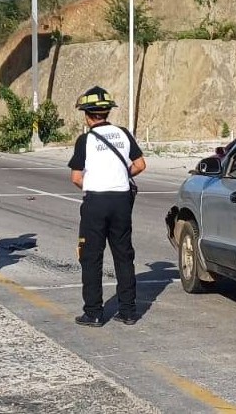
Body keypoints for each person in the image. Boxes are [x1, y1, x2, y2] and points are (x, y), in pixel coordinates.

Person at [67, 86, 146, 327]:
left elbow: (76, 178)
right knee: (123, 255)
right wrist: (120, 176)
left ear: (87, 115)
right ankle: (129, 311)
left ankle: (94, 312)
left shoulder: (85, 140)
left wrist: (95, 183)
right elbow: (140, 164)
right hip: (121, 201)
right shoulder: (122, 134)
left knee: (91, 257)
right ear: (107, 112)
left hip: (96, 202)